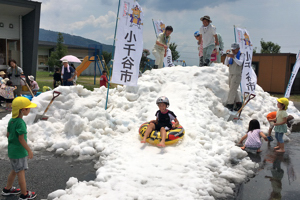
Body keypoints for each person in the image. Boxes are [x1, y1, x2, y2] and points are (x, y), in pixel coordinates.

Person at [2, 97, 37, 199]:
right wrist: (29, 150)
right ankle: (24, 194)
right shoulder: (21, 123)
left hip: (12, 151)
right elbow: (21, 139)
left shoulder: (11, 121)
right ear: (22, 110)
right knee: (21, 172)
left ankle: (7, 189)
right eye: (28, 108)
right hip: (19, 152)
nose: (29, 110)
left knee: (14, 170)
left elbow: (8, 135)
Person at [224, 43, 245, 111]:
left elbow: (240, 63)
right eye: (232, 49)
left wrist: (234, 57)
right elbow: (226, 63)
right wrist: (227, 56)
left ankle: (230, 104)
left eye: (234, 49)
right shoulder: (231, 54)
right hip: (231, 74)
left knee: (232, 89)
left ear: (238, 49)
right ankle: (238, 103)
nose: (233, 51)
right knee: (233, 89)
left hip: (237, 74)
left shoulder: (241, 55)